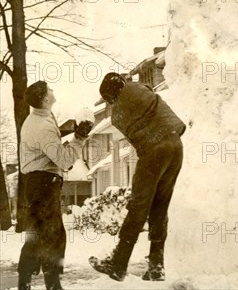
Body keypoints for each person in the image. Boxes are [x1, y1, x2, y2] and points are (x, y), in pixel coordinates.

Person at [88, 73, 186, 282]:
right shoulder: (140, 88)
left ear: (110, 96)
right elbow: (149, 92)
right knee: (160, 206)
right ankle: (156, 266)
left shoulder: (116, 116)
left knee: (138, 208)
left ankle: (118, 263)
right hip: (175, 145)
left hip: (153, 152)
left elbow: (135, 135)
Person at [18, 81, 93, 290]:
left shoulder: (39, 118)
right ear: (44, 99)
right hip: (44, 183)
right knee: (51, 233)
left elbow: (52, 147)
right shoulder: (42, 126)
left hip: (39, 182)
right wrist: (79, 137)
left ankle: (28, 282)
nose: (53, 91)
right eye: (49, 90)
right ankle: (51, 284)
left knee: (42, 233)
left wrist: (71, 131)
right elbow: (65, 161)